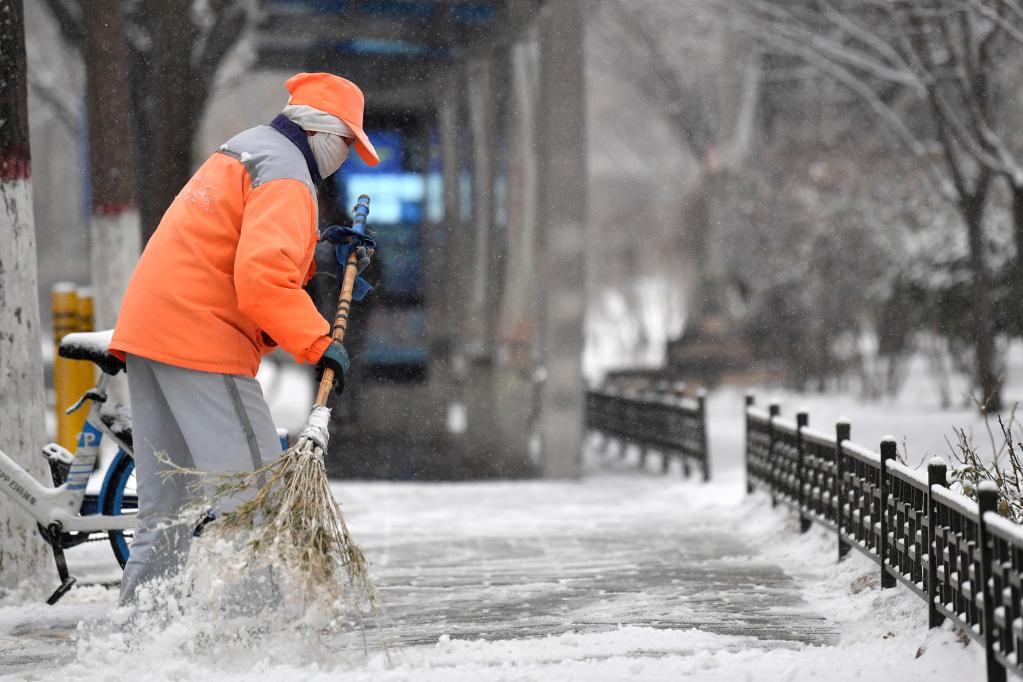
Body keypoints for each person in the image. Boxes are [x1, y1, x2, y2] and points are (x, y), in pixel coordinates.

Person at [108, 73, 380, 604]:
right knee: (256, 502)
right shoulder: (288, 175)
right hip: (201, 339)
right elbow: (261, 281)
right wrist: (319, 342)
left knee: (168, 511)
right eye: (348, 144)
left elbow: (236, 247)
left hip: (151, 330)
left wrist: (319, 250)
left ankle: (137, 640)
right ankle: (258, 639)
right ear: (326, 133)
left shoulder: (249, 149)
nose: (345, 158)